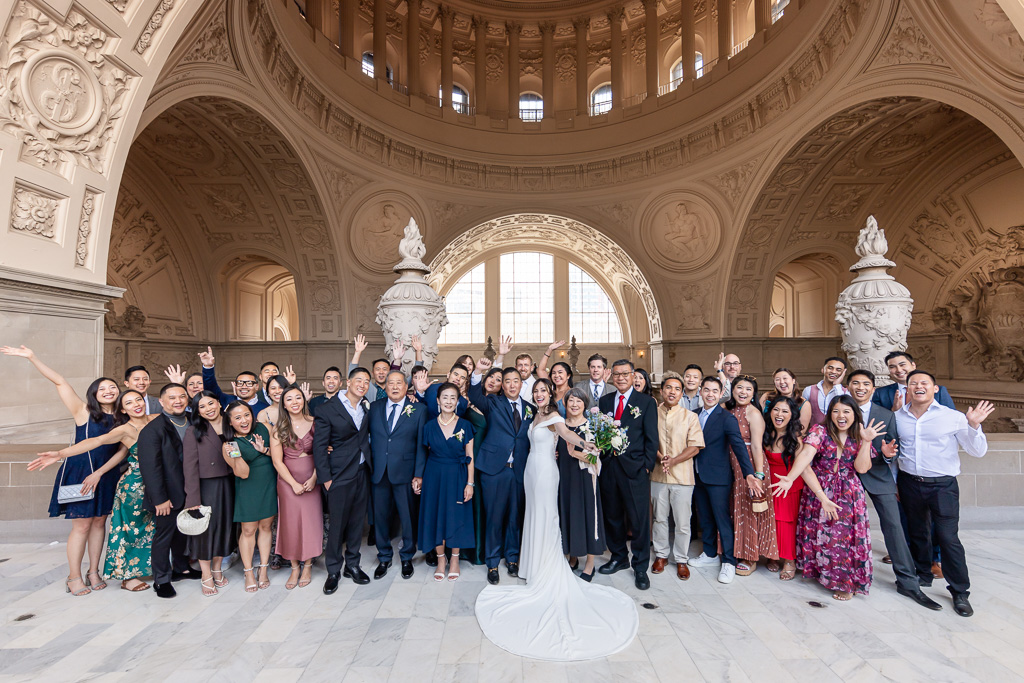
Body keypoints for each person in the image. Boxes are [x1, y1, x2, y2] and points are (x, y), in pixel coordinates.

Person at [475, 378, 638, 662]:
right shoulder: (534, 414)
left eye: (543, 391)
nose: (538, 394)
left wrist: (586, 441)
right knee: (533, 516)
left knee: (547, 517)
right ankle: (531, 564)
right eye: (535, 391)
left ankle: (546, 569)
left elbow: (566, 434)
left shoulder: (553, 416)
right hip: (530, 472)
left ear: (550, 393)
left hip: (547, 472)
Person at [4, 345, 122, 597]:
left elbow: (123, 449)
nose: (108, 390)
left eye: (112, 387)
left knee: (101, 522)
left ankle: (93, 572)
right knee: (81, 525)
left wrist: (102, 472)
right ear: (94, 394)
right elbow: (60, 382)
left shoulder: (124, 418)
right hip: (80, 471)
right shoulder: (84, 411)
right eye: (102, 388)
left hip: (107, 473)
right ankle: (74, 576)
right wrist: (32, 357)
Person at [31, 390, 155, 592]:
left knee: (148, 528)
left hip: (159, 483)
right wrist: (61, 453)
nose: (136, 404)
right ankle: (81, 576)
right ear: (123, 409)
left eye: (139, 400)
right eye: (129, 403)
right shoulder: (122, 429)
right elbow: (96, 441)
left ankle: (99, 571)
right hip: (132, 485)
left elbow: (176, 408)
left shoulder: (157, 420)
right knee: (122, 529)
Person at [773, 395, 892, 601]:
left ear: (855, 414)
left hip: (849, 493)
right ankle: (821, 572)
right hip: (819, 488)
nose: (841, 416)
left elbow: (862, 468)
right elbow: (806, 456)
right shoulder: (820, 431)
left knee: (844, 537)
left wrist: (866, 441)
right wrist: (790, 478)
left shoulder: (859, 435)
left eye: (846, 411)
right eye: (836, 411)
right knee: (819, 532)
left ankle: (845, 581)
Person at [895, 370, 993, 617]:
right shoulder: (897, 417)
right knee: (917, 532)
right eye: (913, 383)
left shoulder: (953, 417)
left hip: (943, 486)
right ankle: (923, 575)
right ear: (907, 388)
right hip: (909, 483)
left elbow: (977, 451)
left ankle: (960, 591)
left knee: (948, 538)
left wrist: (974, 426)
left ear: (935, 389)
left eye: (924, 383)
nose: (919, 386)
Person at [847, 370, 941, 610]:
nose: (860, 387)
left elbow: (894, 447)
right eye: (855, 383)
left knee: (894, 526)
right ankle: (842, 573)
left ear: (872, 388)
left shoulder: (886, 415)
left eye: (865, 384)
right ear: (848, 387)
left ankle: (908, 582)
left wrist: (889, 455)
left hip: (878, 474)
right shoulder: (839, 409)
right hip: (845, 477)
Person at [688, 377, 763, 584]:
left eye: (715, 391)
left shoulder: (726, 417)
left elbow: (739, 446)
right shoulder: (693, 415)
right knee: (705, 517)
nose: (710, 394)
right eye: (706, 390)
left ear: (721, 394)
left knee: (722, 519)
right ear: (701, 392)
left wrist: (750, 473)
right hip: (697, 474)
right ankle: (710, 554)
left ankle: (729, 561)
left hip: (719, 477)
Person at [597, 360, 659, 590]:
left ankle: (641, 566)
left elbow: (652, 438)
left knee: (638, 519)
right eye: (617, 374)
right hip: (610, 468)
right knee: (612, 515)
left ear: (633, 376)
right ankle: (619, 556)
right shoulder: (604, 401)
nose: (621, 378)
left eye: (625, 374)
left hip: (635, 469)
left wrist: (646, 466)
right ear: (611, 376)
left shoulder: (646, 402)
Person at [137, 383, 200, 598]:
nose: (178, 401)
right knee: (164, 536)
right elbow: (150, 468)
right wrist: (159, 499)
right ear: (162, 402)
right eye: (172, 398)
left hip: (189, 491)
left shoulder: (193, 421)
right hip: (167, 495)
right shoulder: (152, 430)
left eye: (182, 396)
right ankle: (161, 579)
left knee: (182, 533)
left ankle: (181, 569)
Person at [473, 367, 535, 585]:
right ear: (503, 385)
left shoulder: (530, 409)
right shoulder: (493, 403)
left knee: (514, 517)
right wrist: (478, 373)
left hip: (519, 469)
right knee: (493, 517)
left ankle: (512, 559)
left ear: (521, 384)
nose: (511, 385)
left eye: (515, 381)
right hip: (494, 470)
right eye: (506, 381)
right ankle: (491, 562)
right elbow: (473, 394)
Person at [314, 367, 373, 592]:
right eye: (359, 380)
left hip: (361, 470)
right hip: (338, 475)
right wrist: (326, 479)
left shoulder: (366, 406)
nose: (363, 384)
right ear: (348, 382)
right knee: (337, 525)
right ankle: (333, 570)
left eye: (366, 381)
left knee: (357, 522)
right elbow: (319, 447)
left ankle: (353, 565)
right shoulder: (326, 409)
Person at [368, 371, 426, 580]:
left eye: (398, 383)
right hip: (379, 472)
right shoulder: (374, 408)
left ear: (405, 386)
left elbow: (421, 444)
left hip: (405, 472)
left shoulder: (419, 410)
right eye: (390, 383)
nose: (394, 386)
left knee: (407, 517)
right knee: (380, 517)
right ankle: (384, 556)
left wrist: (418, 474)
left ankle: (406, 557)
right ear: (385, 387)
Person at [417, 383, 476, 582]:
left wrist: (470, 483)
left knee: (456, 516)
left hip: (457, 476)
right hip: (434, 476)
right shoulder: (429, 426)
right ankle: (441, 560)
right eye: (445, 397)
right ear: (438, 401)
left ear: (458, 402)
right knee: (435, 518)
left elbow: (470, 457)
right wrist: (419, 478)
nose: (449, 401)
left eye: (453, 398)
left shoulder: (466, 425)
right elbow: (422, 455)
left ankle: (455, 560)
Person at [650, 371, 703, 581]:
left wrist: (673, 461)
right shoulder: (652, 413)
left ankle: (681, 558)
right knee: (659, 518)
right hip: (657, 475)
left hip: (682, 477)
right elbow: (648, 440)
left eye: (677, 389)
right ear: (661, 390)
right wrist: (661, 457)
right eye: (668, 388)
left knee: (682, 521)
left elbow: (696, 447)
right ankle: (661, 555)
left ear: (682, 393)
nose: (672, 392)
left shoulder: (690, 417)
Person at [183, 391, 236, 596]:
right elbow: (189, 468)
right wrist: (193, 498)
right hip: (206, 487)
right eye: (202, 406)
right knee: (205, 531)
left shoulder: (230, 424)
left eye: (211, 403)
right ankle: (206, 574)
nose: (208, 409)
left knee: (224, 528)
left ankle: (217, 568)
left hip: (230, 483)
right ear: (197, 411)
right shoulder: (194, 431)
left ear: (219, 403)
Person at [723, 375, 778, 575]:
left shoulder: (753, 413)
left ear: (754, 393)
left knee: (748, 509)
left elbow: (756, 445)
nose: (743, 392)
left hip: (750, 463)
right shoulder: (727, 409)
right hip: (730, 461)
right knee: (733, 507)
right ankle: (735, 550)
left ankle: (750, 556)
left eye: (748, 389)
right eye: (739, 387)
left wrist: (759, 475)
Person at [270, 385, 323, 590]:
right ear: (283, 403)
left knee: (311, 521)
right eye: (289, 399)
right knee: (290, 523)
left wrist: (314, 478)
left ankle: (308, 564)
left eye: (298, 398)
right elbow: (277, 461)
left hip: (312, 479)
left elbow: (322, 453)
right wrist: (292, 484)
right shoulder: (278, 428)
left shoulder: (315, 423)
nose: (294, 402)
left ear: (304, 400)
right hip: (288, 482)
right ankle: (293, 566)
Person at [222, 401, 277, 593]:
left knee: (266, 526)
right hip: (248, 488)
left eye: (247, 415)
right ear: (229, 422)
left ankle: (263, 569)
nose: (244, 420)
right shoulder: (229, 444)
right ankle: (248, 572)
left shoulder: (263, 427)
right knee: (248, 530)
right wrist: (236, 455)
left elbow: (280, 455)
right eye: (237, 418)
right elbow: (243, 473)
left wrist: (264, 450)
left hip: (269, 485)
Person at [557, 386, 606, 581]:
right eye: (571, 401)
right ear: (565, 404)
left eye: (578, 401)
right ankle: (572, 556)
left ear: (585, 404)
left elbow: (597, 459)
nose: (575, 404)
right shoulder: (560, 426)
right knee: (568, 515)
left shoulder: (593, 426)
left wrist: (575, 453)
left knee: (588, 516)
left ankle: (590, 563)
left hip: (585, 479)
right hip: (564, 477)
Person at [762, 397, 803, 580]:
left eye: (785, 411)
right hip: (768, 483)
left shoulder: (796, 438)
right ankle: (773, 554)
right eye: (776, 410)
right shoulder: (766, 433)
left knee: (786, 523)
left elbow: (802, 466)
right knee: (770, 520)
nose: (779, 414)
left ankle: (789, 560)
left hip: (788, 484)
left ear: (792, 415)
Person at [873, 351, 955, 412]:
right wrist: (894, 411)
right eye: (892, 367)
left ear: (913, 365)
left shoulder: (938, 391)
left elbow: (951, 416)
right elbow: (877, 421)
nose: (899, 370)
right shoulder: (881, 393)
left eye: (902, 365)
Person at [198, 346, 269, 416]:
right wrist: (208, 367)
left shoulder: (265, 408)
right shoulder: (226, 400)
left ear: (256, 386)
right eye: (240, 383)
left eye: (249, 383)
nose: (244, 387)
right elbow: (211, 388)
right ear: (235, 385)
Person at [759, 368, 811, 434]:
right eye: (777, 379)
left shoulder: (804, 404)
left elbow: (800, 431)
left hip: (789, 440)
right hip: (765, 437)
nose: (781, 382)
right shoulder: (766, 397)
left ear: (793, 380)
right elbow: (758, 420)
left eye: (785, 378)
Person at [801, 357, 850, 427]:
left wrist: (837, 385)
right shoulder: (809, 390)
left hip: (837, 435)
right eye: (830, 368)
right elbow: (802, 413)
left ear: (843, 373)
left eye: (838, 370)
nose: (833, 371)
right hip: (814, 435)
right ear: (823, 370)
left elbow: (844, 408)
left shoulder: (846, 392)